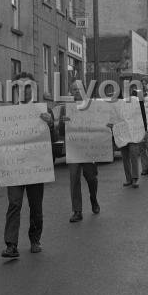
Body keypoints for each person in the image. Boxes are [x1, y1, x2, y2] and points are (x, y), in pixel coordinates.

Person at [0, 72, 55, 258]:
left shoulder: (44, 111)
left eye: (28, 87)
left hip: (35, 167)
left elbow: (54, 141)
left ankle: (35, 240)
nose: (24, 90)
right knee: (14, 204)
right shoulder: (7, 114)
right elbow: (1, 142)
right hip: (14, 169)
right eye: (20, 87)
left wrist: (50, 125)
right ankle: (11, 245)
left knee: (36, 206)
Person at [60, 80, 100, 222]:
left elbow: (99, 126)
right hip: (73, 148)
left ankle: (93, 199)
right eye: (74, 89)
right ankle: (77, 211)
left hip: (88, 149)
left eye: (79, 89)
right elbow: (60, 131)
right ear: (71, 92)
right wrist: (63, 122)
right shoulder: (66, 108)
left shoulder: (91, 106)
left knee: (91, 177)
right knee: (74, 179)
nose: (77, 91)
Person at [118, 84, 148, 189]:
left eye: (128, 89)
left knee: (134, 154)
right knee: (125, 157)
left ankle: (135, 178)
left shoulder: (137, 101)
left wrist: (144, 129)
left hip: (134, 133)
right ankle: (128, 178)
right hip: (123, 133)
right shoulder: (118, 102)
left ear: (131, 91)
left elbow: (143, 114)